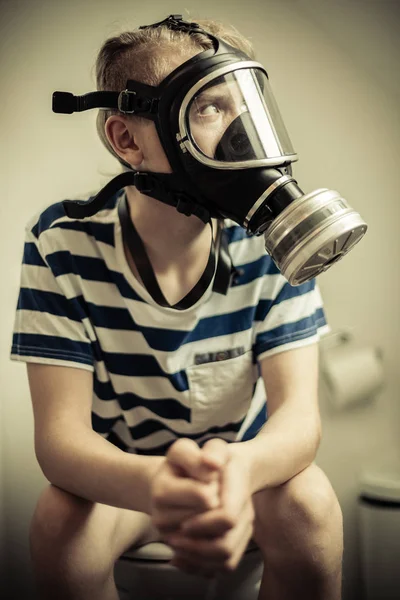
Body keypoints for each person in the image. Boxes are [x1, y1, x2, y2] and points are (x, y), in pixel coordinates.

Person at [10, 14, 344, 600]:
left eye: (244, 105)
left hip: (245, 472)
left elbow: (298, 420)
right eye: (209, 108)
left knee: (311, 506)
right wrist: (158, 483)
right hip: (127, 484)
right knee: (58, 525)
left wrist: (240, 473)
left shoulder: (268, 244)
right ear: (127, 139)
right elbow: (60, 441)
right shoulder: (62, 241)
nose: (240, 130)